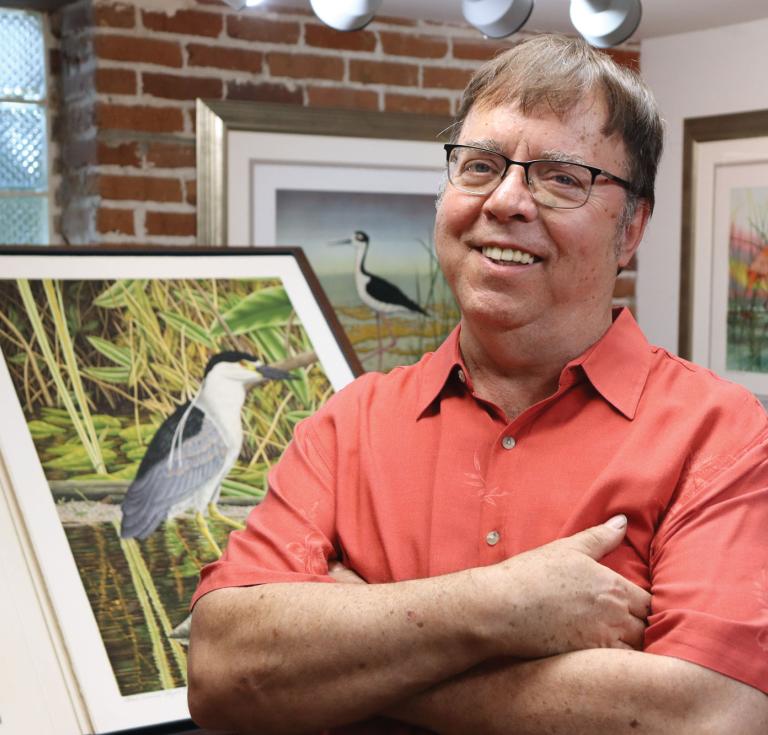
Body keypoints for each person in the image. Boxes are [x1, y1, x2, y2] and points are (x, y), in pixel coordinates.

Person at [187, 34, 768, 734]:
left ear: (631, 228)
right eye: (481, 166)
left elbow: (706, 716)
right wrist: (506, 604)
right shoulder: (350, 425)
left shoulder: (720, 435)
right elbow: (223, 666)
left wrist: (365, 652)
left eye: (561, 177)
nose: (506, 200)